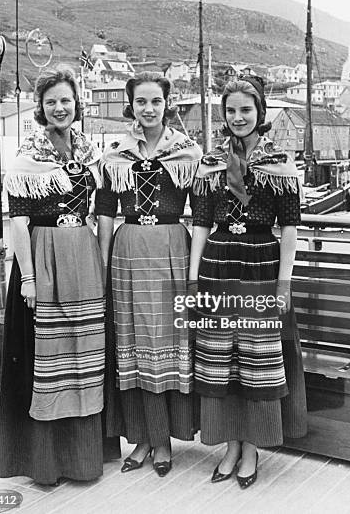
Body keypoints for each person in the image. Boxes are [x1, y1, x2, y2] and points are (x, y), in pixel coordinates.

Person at [0, 65, 120, 485]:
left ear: (77, 104)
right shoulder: (27, 156)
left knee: (84, 354)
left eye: (66, 100)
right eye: (51, 102)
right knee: (46, 359)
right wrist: (28, 277)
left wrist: (101, 262)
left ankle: (83, 458)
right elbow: (17, 222)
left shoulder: (88, 153)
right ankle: (47, 463)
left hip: (82, 255)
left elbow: (102, 211)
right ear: (41, 109)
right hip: (42, 258)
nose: (60, 108)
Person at [190, 78, 307, 490]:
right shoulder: (209, 164)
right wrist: (192, 278)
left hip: (260, 263)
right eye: (232, 110)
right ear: (224, 114)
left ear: (261, 113)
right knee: (221, 360)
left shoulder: (280, 164)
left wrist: (283, 284)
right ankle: (230, 444)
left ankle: (252, 446)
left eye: (246, 110)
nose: (238, 118)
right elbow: (201, 225)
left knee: (255, 358)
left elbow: (289, 230)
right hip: (219, 265)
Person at [96, 72, 202, 477]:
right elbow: (105, 212)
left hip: (172, 249)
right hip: (128, 252)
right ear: (131, 105)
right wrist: (103, 264)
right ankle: (142, 436)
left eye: (155, 101)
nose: (148, 109)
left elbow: (205, 213)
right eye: (140, 101)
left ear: (167, 104)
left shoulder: (188, 153)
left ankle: (162, 440)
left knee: (166, 340)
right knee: (134, 340)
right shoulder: (115, 155)